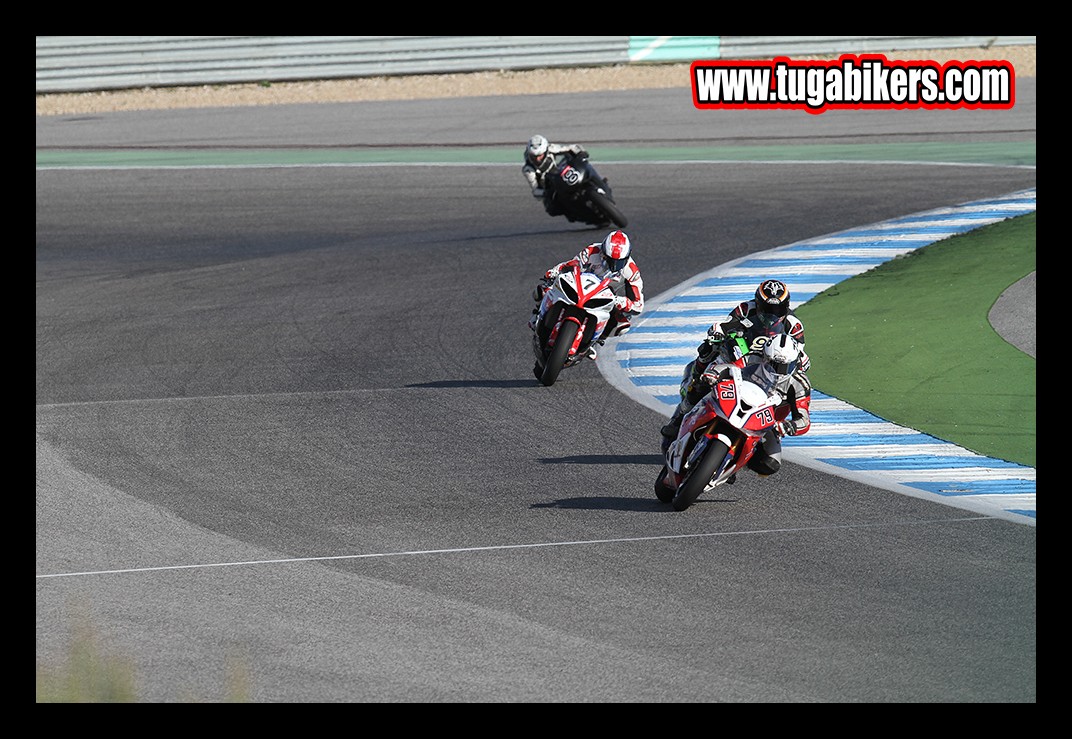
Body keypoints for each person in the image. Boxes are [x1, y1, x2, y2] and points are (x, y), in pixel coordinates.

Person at [660, 278, 808, 440]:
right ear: (758, 303)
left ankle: (768, 430)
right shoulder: (745, 309)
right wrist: (717, 333)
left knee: (787, 385)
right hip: (743, 352)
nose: (772, 314)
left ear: (786, 307)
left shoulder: (794, 325)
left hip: (769, 364)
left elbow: (796, 354)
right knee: (707, 350)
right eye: (767, 308)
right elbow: (726, 326)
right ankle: (684, 409)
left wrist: (801, 362)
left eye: (777, 309)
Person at [694, 333, 812, 481]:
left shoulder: (799, 384)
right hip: (736, 400)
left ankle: (731, 465)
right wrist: (714, 373)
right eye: (772, 363)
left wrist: (788, 426)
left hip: (767, 423)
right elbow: (730, 367)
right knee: (702, 391)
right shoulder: (753, 358)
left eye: (784, 366)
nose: (777, 369)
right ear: (765, 356)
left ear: (794, 364)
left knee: (770, 464)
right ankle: (686, 419)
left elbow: (804, 419)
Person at [529, 229, 645, 361]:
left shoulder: (631, 270)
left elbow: (638, 304)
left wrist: (622, 302)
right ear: (603, 251)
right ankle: (537, 313)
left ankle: (593, 342)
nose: (612, 265)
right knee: (544, 289)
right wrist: (556, 271)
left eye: (617, 262)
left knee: (622, 325)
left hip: (604, 297)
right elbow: (572, 264)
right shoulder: (592, 251)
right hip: (580, 286)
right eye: (608, 259)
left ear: (627, 257)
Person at [522, 134, 591, 218]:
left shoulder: (551, 148)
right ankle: (577, 215)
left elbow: (572, 147)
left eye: (540, 156)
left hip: (561, 172)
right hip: (551, 188)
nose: (537, 159)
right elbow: (535, 190)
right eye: (534, 156)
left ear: (545, 151)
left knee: (581, 163)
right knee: (552, 209)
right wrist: (545, 192)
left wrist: (581, 153)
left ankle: (594, 181)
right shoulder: (528, 169)